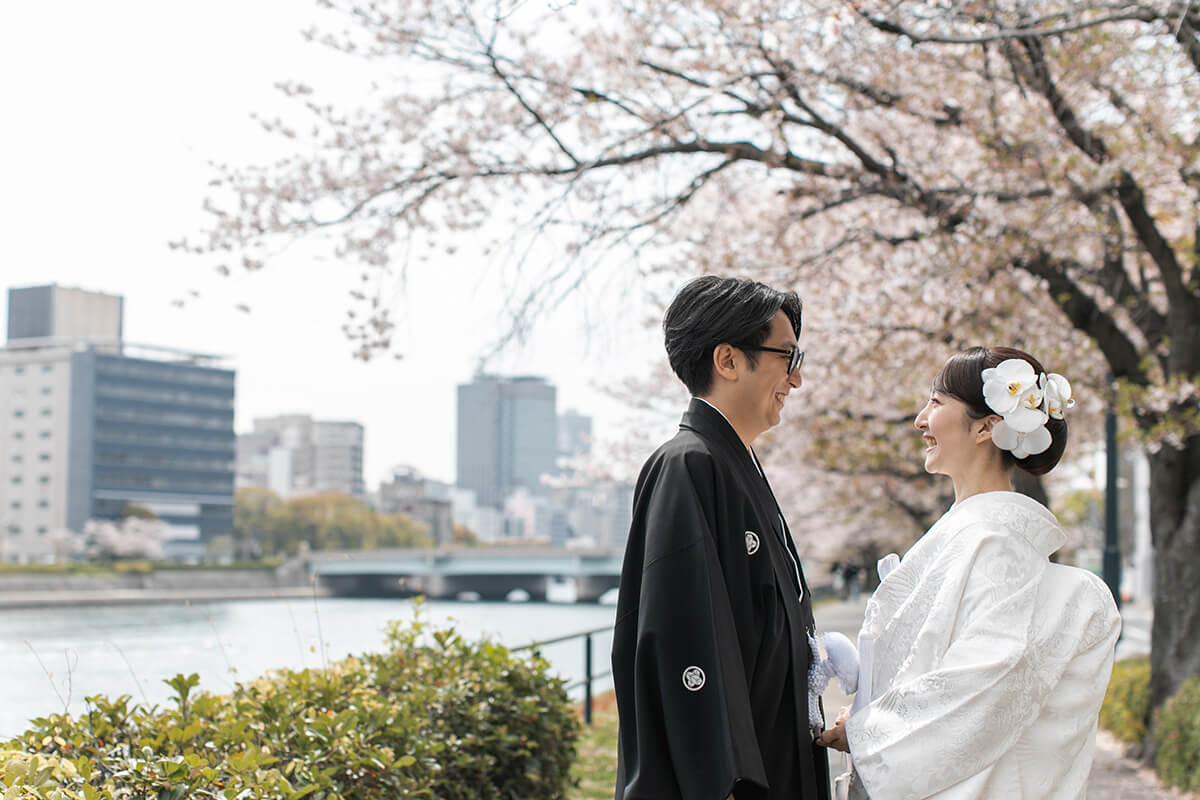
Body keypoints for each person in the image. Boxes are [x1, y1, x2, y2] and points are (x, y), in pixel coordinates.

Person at [816, 347, 1121, 800]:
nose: (921, 420)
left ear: (986, 426)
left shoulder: (997, 542)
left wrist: (869, 735)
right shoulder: (978, 532)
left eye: (936, 404)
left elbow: (985, 680)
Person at [612, 276, 830, 800]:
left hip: (778, 753)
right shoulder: (688, 464)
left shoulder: (735, 464)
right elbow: (684, 638)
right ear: (728, 361)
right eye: (787, 357)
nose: (795, 380)